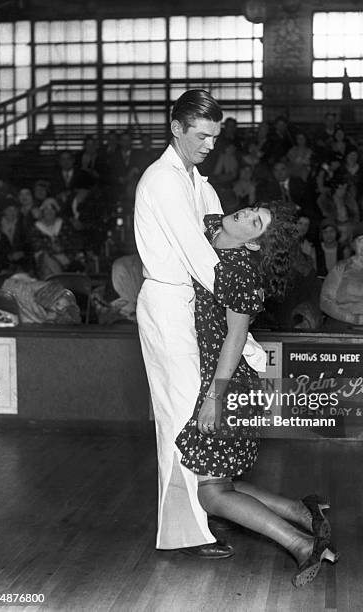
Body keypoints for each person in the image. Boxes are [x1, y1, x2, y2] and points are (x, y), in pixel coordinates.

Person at [175, 204, 335, 586]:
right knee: (220, 481)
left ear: (253, 246)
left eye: (256, 223)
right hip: (209, 375)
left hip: (225, 382)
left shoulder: (241, 273)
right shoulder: (212, 227)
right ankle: (301, 511)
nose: (244, 216)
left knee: (212, 494)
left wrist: (216, 397)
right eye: (250, 211)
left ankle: (299, 543)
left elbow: (235, 337)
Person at [134, 89, 232, 557]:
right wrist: (241, 313)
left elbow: (223, 242)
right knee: (179, 418)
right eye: (202, 135)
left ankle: (200, 517)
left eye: (215, 136)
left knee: (195, 414)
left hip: (193, 304)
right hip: (168, 303)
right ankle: (188, 533)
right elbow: (200, 255)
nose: (210, 144)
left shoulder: (198, 181)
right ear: (176, 127)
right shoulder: (161, 180)